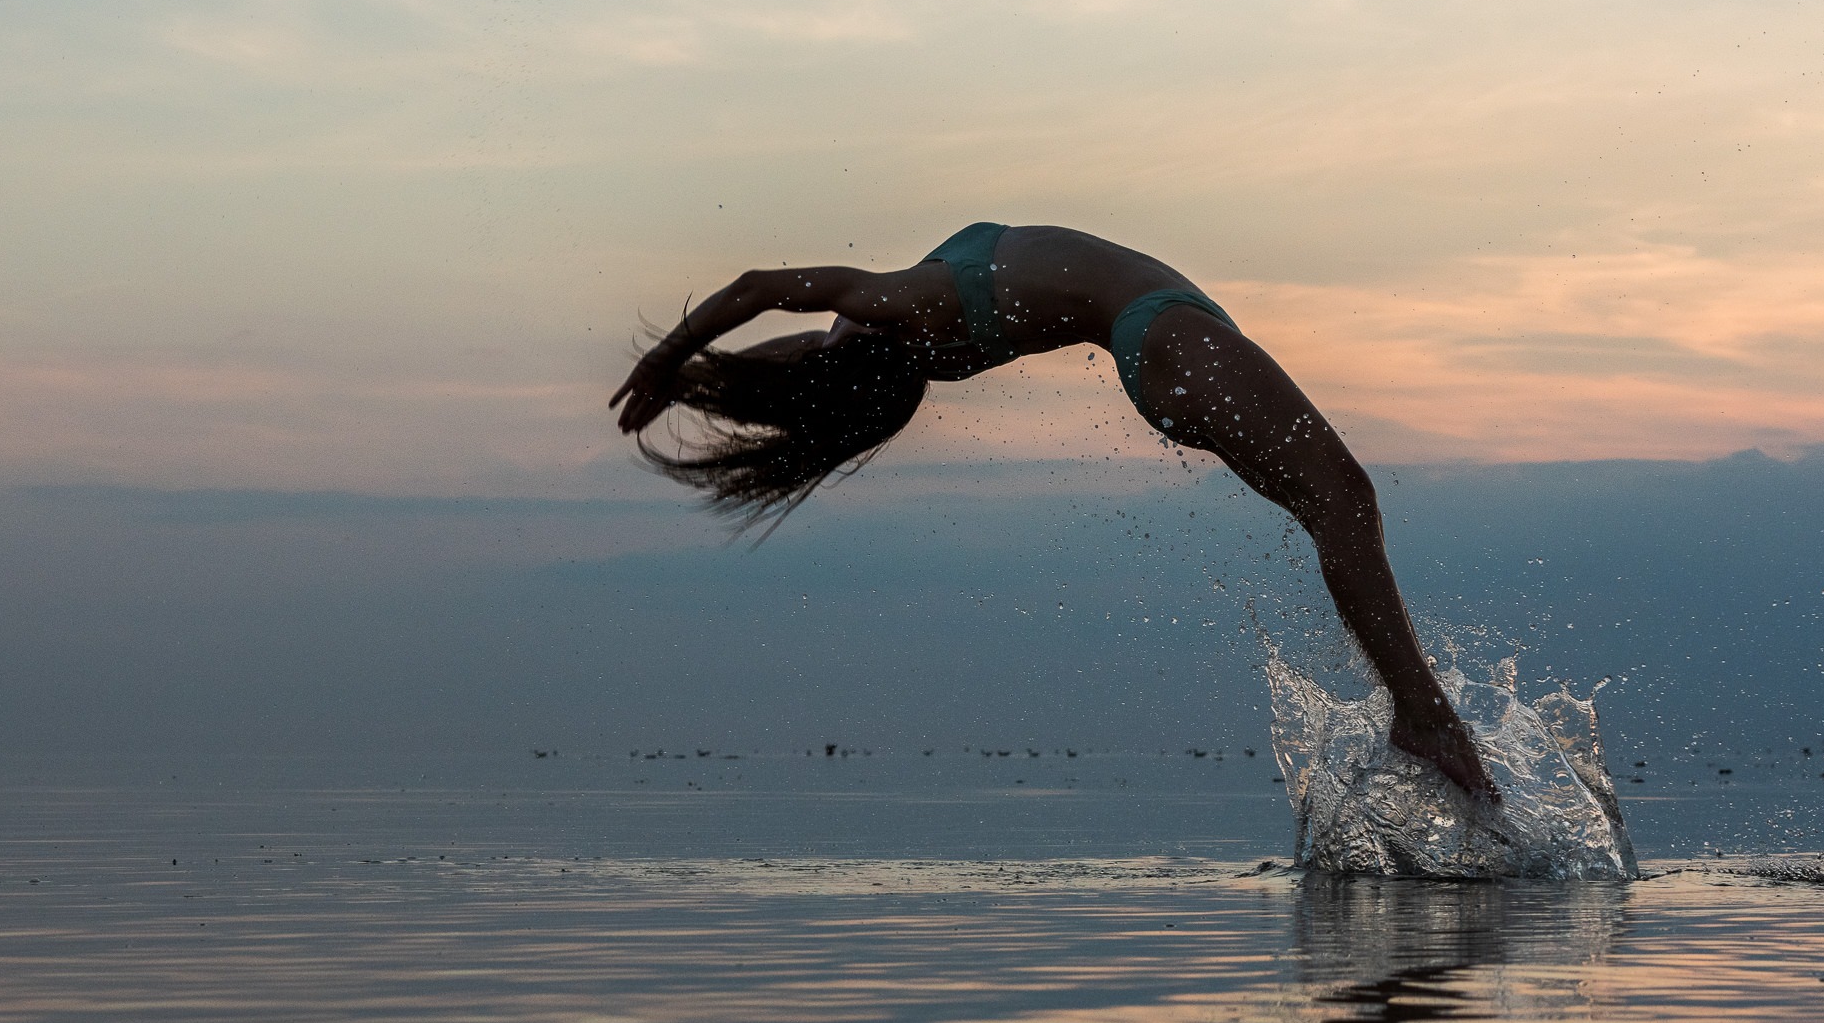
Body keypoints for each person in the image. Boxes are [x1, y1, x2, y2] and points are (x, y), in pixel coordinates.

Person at [610, 222, 1499, 801]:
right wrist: (671, 359)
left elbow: (792, 350)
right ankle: (1421, 714)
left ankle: (1417, 712)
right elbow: (767, 284)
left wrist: (692, 376)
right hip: (1163, 333)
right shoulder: (893, 305)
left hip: (1163, 346)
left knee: (1331, 508)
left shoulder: (895, 347)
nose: (821, 329)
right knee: (1343, 498)